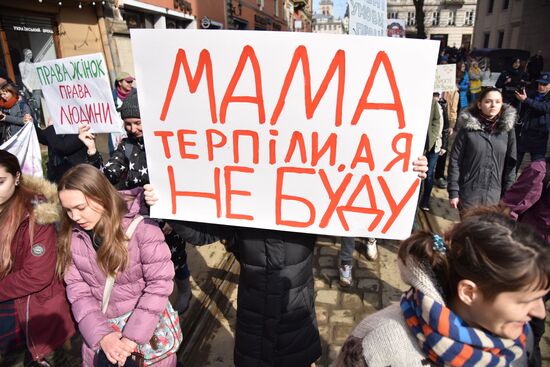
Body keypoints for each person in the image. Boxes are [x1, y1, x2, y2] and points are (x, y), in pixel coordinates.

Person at [143, 158, 429, 366]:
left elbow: (365, 203)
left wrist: (406, 175)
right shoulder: (240, 199)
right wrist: (167, 204)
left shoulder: (310, 193)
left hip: (296, 317)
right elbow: (203, 233)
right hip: (254, 321)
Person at [333, 207, 550, 367]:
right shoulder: (379, 343)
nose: (540, 312)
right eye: (525, 300)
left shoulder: (521, 337)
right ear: (468, 292)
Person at [79, 91, 192, 313]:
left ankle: (184, 287)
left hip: (170, 215)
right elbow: (106, 177)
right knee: (148, 262)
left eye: (138, 122)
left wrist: (175, 218)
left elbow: (183, 181)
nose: (133, 129)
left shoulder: (168, 141)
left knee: (175, 255)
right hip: (140, 219)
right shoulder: (126, 147)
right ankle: (158, 303)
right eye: (127, 124)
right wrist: (92, 150)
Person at [56, 164, 177, 367]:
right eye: (68, 210)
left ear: (101, 195)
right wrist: (102, 335)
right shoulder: (72, 237)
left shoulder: (142, 229)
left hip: (145, 340)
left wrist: (131, 339)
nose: (75, 217)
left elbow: (159, 284)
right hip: (102, 340)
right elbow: (78, 293)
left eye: (80, 208)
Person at [0, 150, 75, 365]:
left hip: (37, 317)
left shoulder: (37, 214)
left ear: (16, 179)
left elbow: (37, 275)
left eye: (0, 181)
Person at [447, 87, 517, 212]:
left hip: (494, 196)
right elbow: (455, 160)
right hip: (469, 193)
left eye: (497, 102)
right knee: (468, 230)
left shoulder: (508, 130)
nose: (493, 105)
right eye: (488, 101)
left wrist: (508, 194)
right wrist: (453, 191)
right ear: (479, 104)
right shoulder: (467, 129)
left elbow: (511, 164)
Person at [514, 72, 550, 170]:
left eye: (544, 84)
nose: (541, 86)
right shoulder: (532, 94)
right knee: (513, 164)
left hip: (540, 136)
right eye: (539, 84)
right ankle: (509, 184)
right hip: (525, 132)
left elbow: (544, 108)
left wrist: (526, 100)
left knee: (537, 168)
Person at [419, 93, 447, 212]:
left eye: (437, 94)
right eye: (433, 94)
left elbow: (445, 127)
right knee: (419, 174)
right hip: (420, 146)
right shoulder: (422, 101)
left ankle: (425, 201)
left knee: (429, 174)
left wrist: (443, 145)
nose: (435, 96)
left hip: (434, 146)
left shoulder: (441, 107)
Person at [109, 72, 136, 154]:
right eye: (127, 82)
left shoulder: (136, 93)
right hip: (117, 131)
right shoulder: (111, 96)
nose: (130, 84)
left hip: (132, 129)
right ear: (120, 83)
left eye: (131, 81)